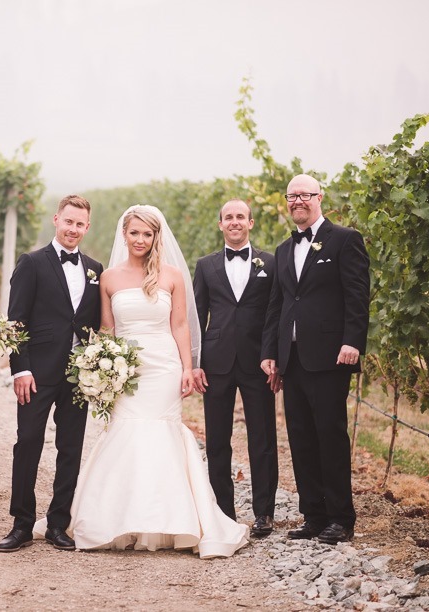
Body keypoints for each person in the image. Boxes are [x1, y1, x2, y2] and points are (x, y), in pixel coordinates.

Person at [65, 205, 249, 558]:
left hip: (163, 367)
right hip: (125, 370)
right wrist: (102, 367)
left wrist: (187, 367)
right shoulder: (109, 278)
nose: (140, 240)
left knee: (163, 433)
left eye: (147, 234)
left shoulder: (172, 276)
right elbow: (108, 329)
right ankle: (119, 520)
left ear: (156, 237)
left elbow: (180, 325)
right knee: (126, 431)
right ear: (124, 234)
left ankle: (172, 521)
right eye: (134, 233)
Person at [260, 174, 370, 545]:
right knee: (302, 439)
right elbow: (277, 305)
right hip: (292, 360)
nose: (298, 202)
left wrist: (352, 341)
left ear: (320, 197)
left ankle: (341, 518)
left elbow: (357, 295)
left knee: (330, 436)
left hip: (330, 358)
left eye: (305, 195)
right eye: (292, 196)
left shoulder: (345, 239)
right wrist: (270, 354)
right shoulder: (283, 249)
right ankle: (314, 516)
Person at [0, 194, 103, 553]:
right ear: (56, 220)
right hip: (36, 372)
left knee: (70, 448)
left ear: (87, 227)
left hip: (78, 375)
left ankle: (59, 524)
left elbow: (91, 324)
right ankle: (22, 524)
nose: (73, 229)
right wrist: (20, 368)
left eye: (80, 224)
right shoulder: (32, 262)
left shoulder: (95, 269)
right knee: (27, 443)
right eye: (68, 221)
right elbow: (16, 322)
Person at [192, 199, 279, 538]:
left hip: (258, 361)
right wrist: (196, 362)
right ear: (220, 225)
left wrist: (273, 356)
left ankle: (264, 514)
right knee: (217, 441)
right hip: (216, 363)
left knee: (262, 439)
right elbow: (198, 316)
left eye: (240, 217)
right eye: (228, 217)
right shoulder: (205, 266)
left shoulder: (270, 263)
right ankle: (223, 512)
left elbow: (275, 313)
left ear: (251, 223)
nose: (234, 222)